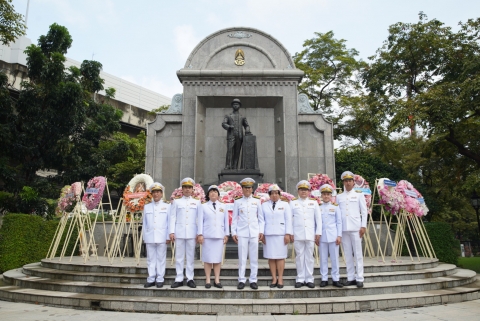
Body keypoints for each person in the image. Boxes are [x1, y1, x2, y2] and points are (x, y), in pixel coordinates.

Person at [169, 177, 203, 288]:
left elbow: (199, 219)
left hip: (191, 233)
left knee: (190, 256)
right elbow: (172, 217)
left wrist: (199, 233)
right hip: (179, 232)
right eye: (185, 187)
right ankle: (179, 278)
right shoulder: (176, 201)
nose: (187, 190)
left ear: (192, 189)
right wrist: (171, 231)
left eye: (189, 187)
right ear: (182, 189)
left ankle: (190, 278)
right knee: (179, 257)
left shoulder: (197, 202)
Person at [336, 171, 368, 288]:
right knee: (348, 254)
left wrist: (363, 226)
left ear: (353, 182)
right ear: (343, 182)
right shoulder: (339, 197)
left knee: (358, 254)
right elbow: (337, 214)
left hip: (356, 228)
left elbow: (364, 212)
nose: (348, 183)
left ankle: (359, 277)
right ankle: (351, 277)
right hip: (344, 228)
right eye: (346, 181)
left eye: (350, 180)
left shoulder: (359, 195)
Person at [231, 177, 264, 290]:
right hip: (242, 232)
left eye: (249, 188)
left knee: (254, 258)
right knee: (242, 258)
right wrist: (233, 232)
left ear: (252, 188)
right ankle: (241, 279)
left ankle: (253, 279)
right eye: (245, 188)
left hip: (254, 232)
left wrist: (261, 231)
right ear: (242, 189)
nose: (247, 190)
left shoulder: (257, 201)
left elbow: (261, 219)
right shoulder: (238, 201)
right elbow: (234, 219)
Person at [290, 180, 321, 288]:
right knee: (299, 257)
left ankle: (309, 279)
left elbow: (318, 219)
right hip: (298, 234)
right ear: (298, 191)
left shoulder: (314, 203)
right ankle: (300, 278)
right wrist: (290, 233)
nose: (303, 192)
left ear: (309, 191)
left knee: (309, 257)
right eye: (301, 190)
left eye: (305, 190)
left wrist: (318, 233)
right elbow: (290, 220)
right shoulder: (293, 203)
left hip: (310, 233)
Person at [260, 184, 292, 289]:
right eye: (272, 193)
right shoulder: (264, 205)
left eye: (276, 193)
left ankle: (280, 278)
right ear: (269, 194)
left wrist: (288, 233)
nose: (274, 195)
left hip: (281, 234)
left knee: (280, 257)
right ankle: (274, 278)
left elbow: (288, 220)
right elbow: (262, 220)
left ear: (279, 194)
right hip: (268, 234)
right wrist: (262, 233)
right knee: (271, 257)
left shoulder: (285, 205)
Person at [197, 185, 229, 289]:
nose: (213, 193)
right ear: (208, 194)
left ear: (218, 194)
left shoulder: (223, 206)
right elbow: (200, 221)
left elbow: (226, 221)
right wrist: (200, 234)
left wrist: (226, 234)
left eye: (215, 192)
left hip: (219, 235)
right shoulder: (203, 206)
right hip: (207, 235)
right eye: (211, 192)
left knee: (217, 259)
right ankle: (207, 280)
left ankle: (217, 279)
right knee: (207, 259)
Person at [142, 182, 171, 288]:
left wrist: (168, 236)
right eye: (154, 192)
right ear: (151, 194)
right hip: (150, 236)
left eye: (158, 192)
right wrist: (145, 237)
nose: (156, 194)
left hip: (162, 236)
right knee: (150, 259)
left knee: (161, 258)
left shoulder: (167, 206)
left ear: (161, 193)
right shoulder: (147, 207)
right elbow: (144, 223)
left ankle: (160, 278)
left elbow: (169, 222)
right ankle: (151, 278)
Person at [318, 184, 343, 288]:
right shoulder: (318, 207)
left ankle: (335, 278)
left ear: (331, 196)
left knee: (334, 259)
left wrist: (339, 235)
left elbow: (339, 222)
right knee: (323, 258)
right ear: (321, 196)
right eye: (324, 194)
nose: (326, 196)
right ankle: (324, 278)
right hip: (322, 236)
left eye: (328, 194)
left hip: (333, 236)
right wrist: (317, 235)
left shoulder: (335, 207)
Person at [222, 98, 251, 170]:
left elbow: (246, 125)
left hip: (239, 136)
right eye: (234, 104)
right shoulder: (228, 115)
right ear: (232, 106)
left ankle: (235, 166)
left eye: (237, 104)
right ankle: (228, 165)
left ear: (239, 106)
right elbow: (223, 123)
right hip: (231, 135)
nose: (235, 105)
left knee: (237, 152)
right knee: (229, 151)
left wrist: (247, 130)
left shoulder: (242, 116)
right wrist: (229, 126)